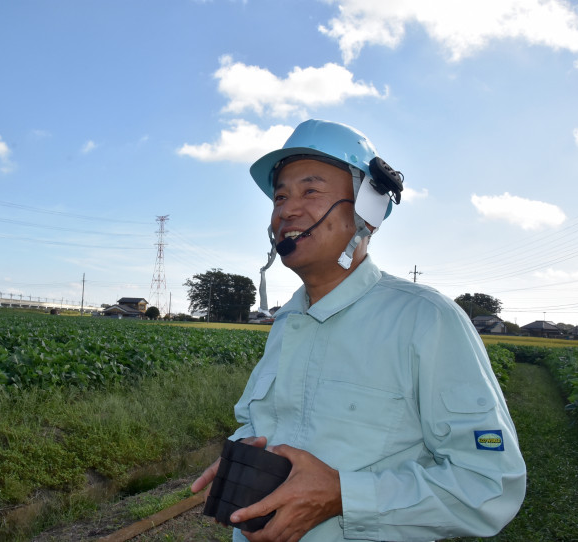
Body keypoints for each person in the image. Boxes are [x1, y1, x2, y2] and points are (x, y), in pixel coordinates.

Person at [191, 119, 526, 542]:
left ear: (368, 207)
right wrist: (244, 454)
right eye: (280, 196)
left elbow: (489, 485)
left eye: (310, 191)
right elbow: (266, 423)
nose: (286, 210)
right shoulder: (287, 322)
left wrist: (345, 495)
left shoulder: (426, 319)